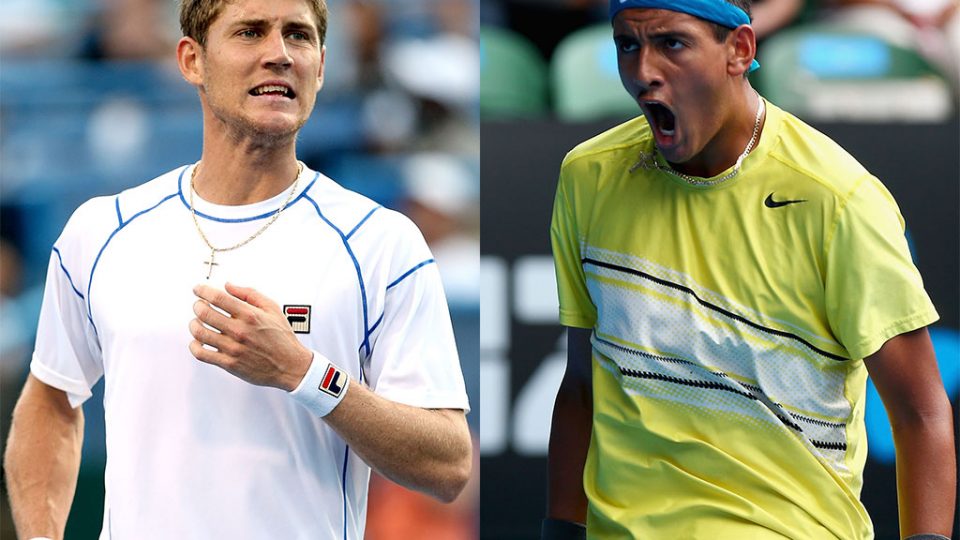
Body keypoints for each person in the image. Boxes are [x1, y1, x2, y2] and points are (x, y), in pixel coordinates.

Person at [3, 0, 472, 538]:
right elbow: (51, 400)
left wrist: (305, 373)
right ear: (191, 60)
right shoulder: (101, 230)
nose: (278, 54)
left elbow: (448, 464)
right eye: (251, 32)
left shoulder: (382, 243)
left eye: (297, 36)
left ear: (320, 65)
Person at [545, 0, 956, 538]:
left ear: (739, 50)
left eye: (672, 43)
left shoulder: (839, 199)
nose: (644, 71)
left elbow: (920, 415)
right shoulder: (587, 176)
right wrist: (559, 529)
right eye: (628, 44)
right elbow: (582, 385)